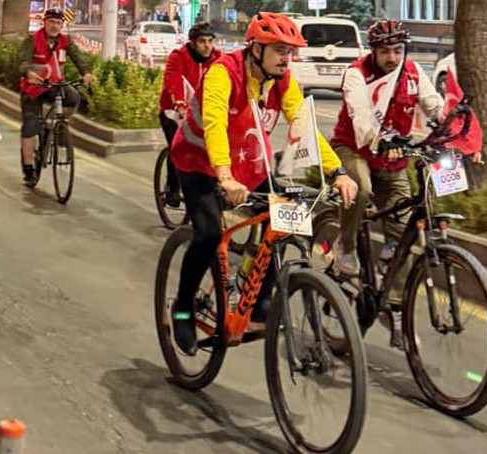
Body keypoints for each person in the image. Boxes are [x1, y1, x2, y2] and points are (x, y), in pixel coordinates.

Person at [168, 12, 358, 354]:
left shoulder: (282, 81)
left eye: (291, 51)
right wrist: (224, 175)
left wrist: (338, 172)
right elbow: (214, 124)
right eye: (279, 50)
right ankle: (182, 309)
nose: (287, 58)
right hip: (199, 162)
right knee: (209, 234)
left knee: (284, 221)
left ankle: (259, 303)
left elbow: (304, 129)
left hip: (250, 165)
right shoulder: (222, 73)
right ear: (255, 49)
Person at [330, 20, 443, 278]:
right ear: (373, 51)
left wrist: (455, 123)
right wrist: (380, 139)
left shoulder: (413, 73)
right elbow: (360, 116)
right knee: (360, 188)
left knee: (403, 228)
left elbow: (434, 106)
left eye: (397, 51)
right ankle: (345, 246)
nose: (392, 57)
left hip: (393, 159)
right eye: (384, 52)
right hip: (354, 148)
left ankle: (391, 300)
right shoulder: (357, 73)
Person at [17, 8, 94, 186]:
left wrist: (87, 73)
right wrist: (28, 72)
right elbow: (22, 61)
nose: (54, 26)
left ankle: (58, 126)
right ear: (44, 22)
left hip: (54, 84)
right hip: (33, 88)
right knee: (30, 125)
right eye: (51, 22)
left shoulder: (66, 41)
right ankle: (28, 168)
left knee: (74, 98)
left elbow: (79, 58)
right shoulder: (32, 40)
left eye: (58, 23)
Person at [158, 22, 222, 207]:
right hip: (173, 112)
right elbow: (173, 81)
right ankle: (172, 187)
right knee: (177, 148)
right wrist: (179, 102)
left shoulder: (217, 58)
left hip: (202, 114)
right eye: (202, 41)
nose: (207, 46)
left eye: (210, 41)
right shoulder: (179, 57)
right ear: (193, 43)